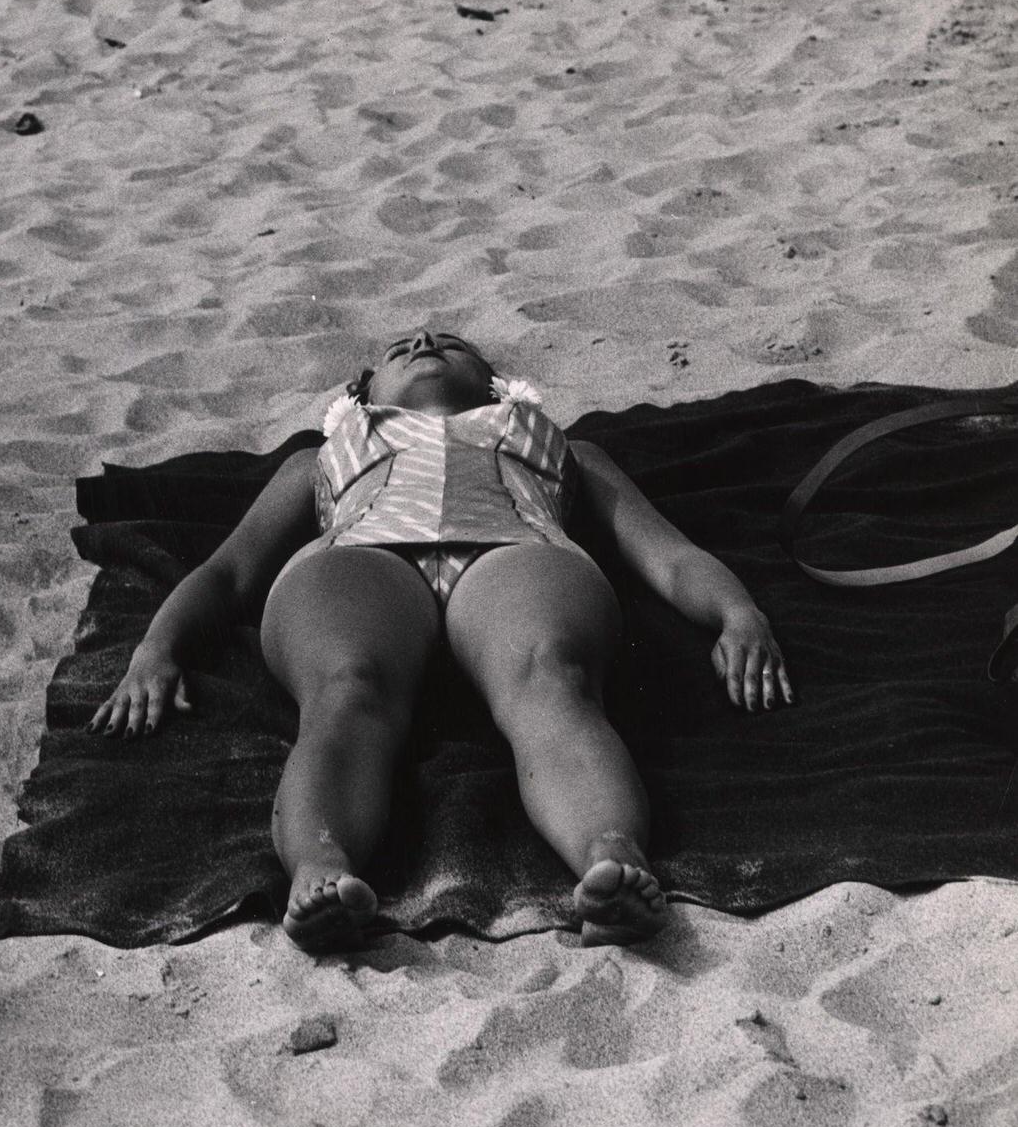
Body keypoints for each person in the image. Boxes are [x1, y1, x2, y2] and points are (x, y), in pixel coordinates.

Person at [89, 330, 793, 948]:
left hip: (512, 549)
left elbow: (666, 555)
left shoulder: (567, 450)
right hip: (365, 555)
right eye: (401, 349)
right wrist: (158, 649)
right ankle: (321, 867)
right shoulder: (320, 458)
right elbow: (230, 571)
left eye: (450, 343)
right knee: (345, 687)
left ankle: (611, 857)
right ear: (362, 395)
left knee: (549, 675)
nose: (424, 343)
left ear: (493, 384)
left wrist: (738, 614)